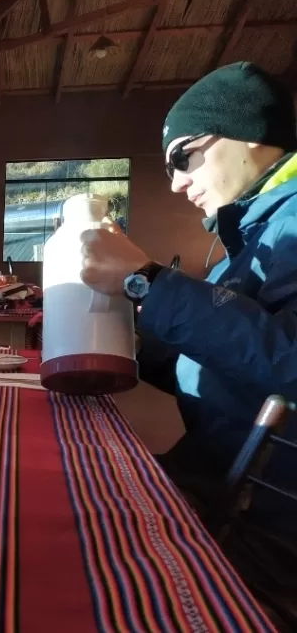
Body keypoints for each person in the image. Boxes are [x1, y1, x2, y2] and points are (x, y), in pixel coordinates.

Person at [79, 61, 297, 616]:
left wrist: (147, 281)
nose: (175, 181)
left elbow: (287, 360)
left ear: (248, 131)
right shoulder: (251, 238)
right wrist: (106, 335)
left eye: (184, 155)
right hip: (218, 475)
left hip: (268, 524)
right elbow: (218, 354)